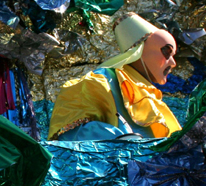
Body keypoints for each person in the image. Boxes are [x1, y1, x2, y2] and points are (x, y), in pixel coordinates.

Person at [48, 12, 181, 141]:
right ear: (140, 50)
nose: (173, 63)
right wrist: (117, 139)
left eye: (173, 55)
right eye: (166, 52)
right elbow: (68, 135)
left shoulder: (153, 98)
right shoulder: (99, 83)